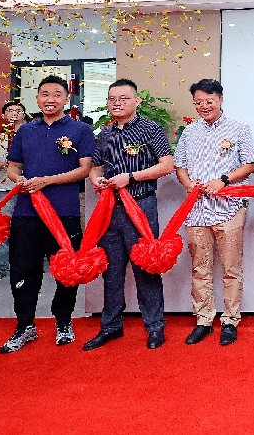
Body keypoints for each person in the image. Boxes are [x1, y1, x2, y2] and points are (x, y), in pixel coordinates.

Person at [1, 75, 96, 354]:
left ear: (67, 98)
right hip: (26, 212)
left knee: (66, 269)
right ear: (37, 98)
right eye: (44, 94)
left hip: (64, 212)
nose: (50, 99)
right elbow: (13, 166)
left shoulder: (80, 130)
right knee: (23, 269)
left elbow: (85, 169)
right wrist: (18, 179)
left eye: (56, 94)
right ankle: (25, 325)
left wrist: (47, 181)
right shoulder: (26, 131)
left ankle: (63, 321)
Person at [82, 79, 175, 351]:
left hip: (141, 206)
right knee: (111, 271)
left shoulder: (150, 129)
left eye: (123, 98)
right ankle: (111, 326)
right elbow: (95, 167)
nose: (117, 103)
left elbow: (167, 165)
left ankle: (154, 326)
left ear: (137, 101)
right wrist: (96, 179)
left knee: (146, 266)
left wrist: (131, 177)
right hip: (110, 209)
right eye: (112, 99)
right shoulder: (105, 133)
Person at [175, 78, 254, 346]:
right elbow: (180, 165)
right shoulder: (189, 132)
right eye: (198, 102)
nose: (204, 106)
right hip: (197, 211)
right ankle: (204, 319)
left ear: (221, 99)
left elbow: (250, 164)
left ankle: (230, 320)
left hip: (229, 209)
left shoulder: (239, 127)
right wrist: (188, 184)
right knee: (200, 267)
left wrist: (223, 180)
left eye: (209, 101)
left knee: (231, 268)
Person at [0, 101, 27, 282]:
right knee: (0, 227)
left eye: (19, 110)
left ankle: (26, 266)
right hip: (3, 186)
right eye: (10, 110)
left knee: (26, 227)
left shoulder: (32, 134)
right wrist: (6, 165)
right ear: (3, 116)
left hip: (27, 186)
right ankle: (0, 266)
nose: (14, 113)